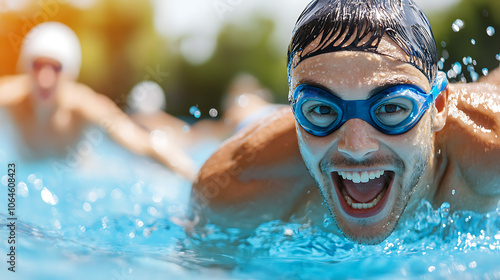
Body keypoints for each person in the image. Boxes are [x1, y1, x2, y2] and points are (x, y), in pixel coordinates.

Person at [190, 0, 500, 244]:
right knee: (246, 116)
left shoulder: (488, 145)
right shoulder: (235, 187)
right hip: (263, 130)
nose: (356, 147)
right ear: (295, 113)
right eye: (322, 110)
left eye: (391, 107)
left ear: (438, 106)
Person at [0, 22, 195, 180]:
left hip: (79, 182)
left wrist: (191, 175)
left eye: (56, 67)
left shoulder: (86, 107)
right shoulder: (9, 98)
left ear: (70, 72)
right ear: (25, 66)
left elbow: (141, 143)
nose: (45, 78)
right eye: (37, 65)